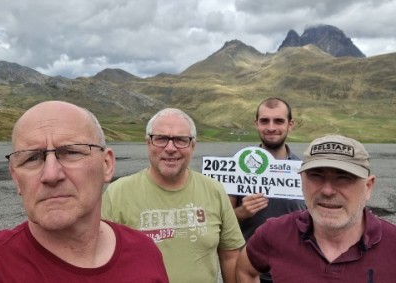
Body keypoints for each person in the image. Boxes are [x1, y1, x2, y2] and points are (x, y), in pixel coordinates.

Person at [0, 101, 168, 282]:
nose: (51, 174)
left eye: (70, 152)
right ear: (15, 177)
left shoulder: (144, 253)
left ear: (106, 165)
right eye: (32, 158)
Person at [102, 108, 245, 283]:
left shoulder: (214, 190)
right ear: (148, 143)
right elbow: (99, 260)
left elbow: (230, 256)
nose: (170, 148)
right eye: (161, 139)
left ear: (193, 146)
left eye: (180, 140)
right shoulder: (117, 193)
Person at [236, 134, 396, 282]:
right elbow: (246, 270)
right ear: (301, 180)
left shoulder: (392, 244)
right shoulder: (274, 233)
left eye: (343, 178)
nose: (327, 191)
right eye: (316, 176)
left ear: (368, 187)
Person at [229, 97, 305, 282]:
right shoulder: (236, 167)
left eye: (279, 121)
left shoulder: (304, 171)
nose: (271, 127)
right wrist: (241, 212)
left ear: (290, 124)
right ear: (256, 124)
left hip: (296, 271)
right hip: (250, 272)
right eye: (264, 121)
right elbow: (222, 222)